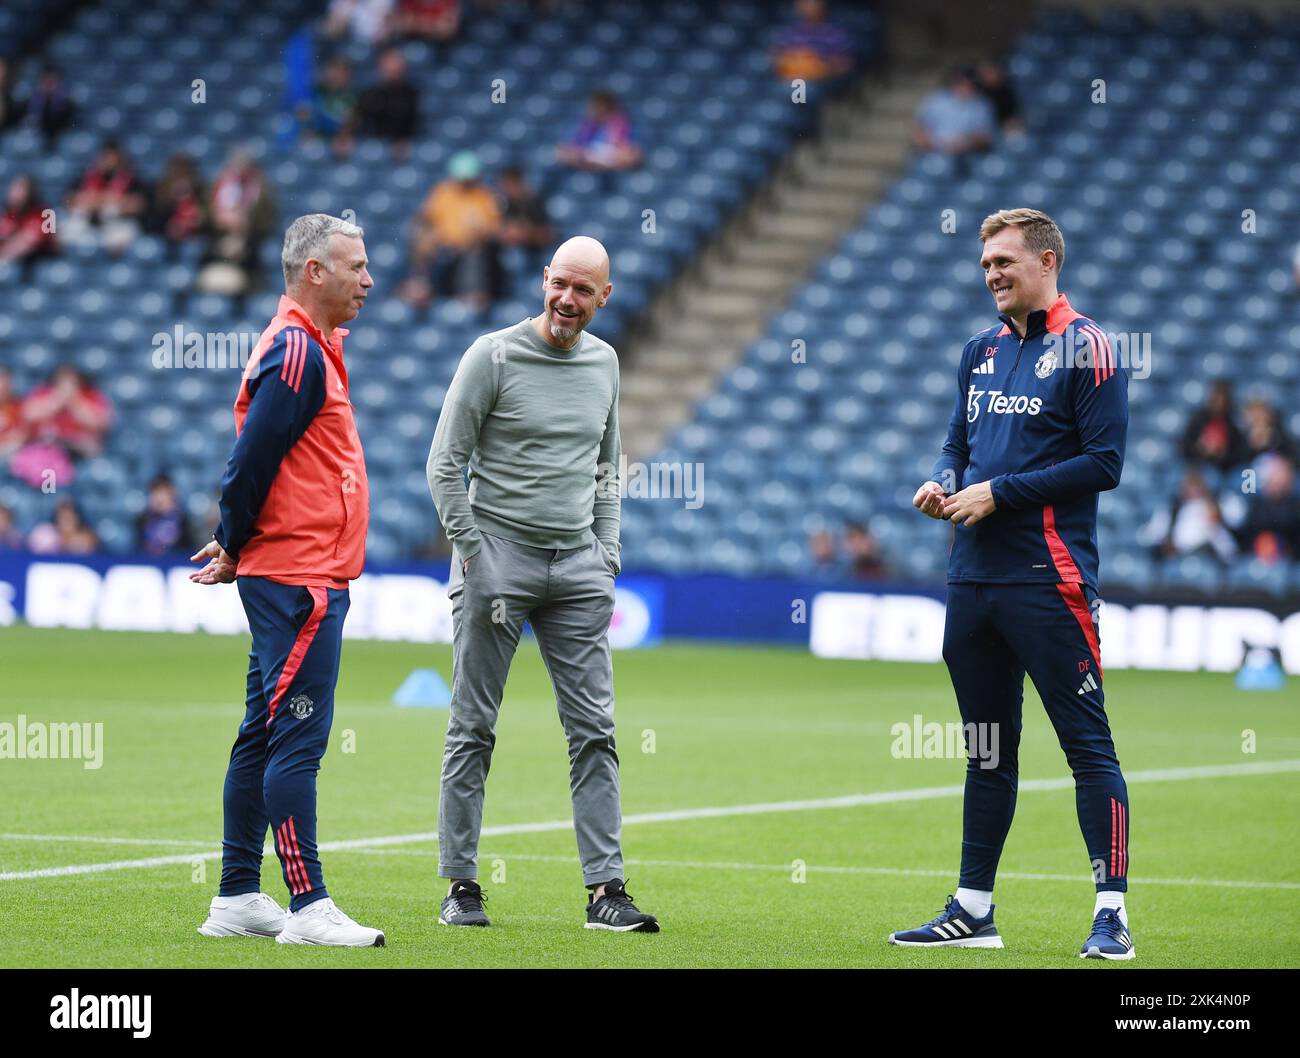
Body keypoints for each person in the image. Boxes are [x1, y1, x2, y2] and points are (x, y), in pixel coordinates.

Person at [896, 208, 1133, 960]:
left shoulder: (1091, 347)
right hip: (972, 578)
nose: (992, 273)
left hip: (1049, 579)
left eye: (1004, 261)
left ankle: (1111, 915)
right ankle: (973, 909)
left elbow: (1104, 464)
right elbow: (956, 444)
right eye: (985, 264)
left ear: (1047, 260)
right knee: (987, 751)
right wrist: (941, 483)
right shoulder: (979, 351)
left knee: (1087, 748)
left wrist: (1000, 493)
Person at [427, 235, 659, 932]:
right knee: (473, 727)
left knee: (595, 732)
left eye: (583, 290)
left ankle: (605, 893)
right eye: (560, 283)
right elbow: (445, 464)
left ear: (603, 298)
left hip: (579, 568)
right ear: (543, 280)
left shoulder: (606, 362)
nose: (567, 300)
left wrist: (607, 552)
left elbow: (606, 467)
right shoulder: (491, 355)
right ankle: (462, 886)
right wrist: (473, 553)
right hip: (496, 560)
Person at [189, 213, 382, 947]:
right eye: (356, 266)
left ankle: (238, 895)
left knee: (260, 734)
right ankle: (308, 906)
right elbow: (249, 461)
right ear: (314, 272)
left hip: (293, 571)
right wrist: (234, 542)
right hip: (300, 579)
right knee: (298, 739)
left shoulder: (313, 346)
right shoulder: (298, 350)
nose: (368, 280)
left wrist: (242, 546)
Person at [403, 151, 503, 310]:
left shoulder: (484, 196)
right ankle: (420, 289)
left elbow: (492, 229)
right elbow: (426, 219)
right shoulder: (442, 193)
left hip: (470, 248)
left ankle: (470, 294)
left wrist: (468, 238)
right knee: (421, 243)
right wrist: (430, 238)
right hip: (443, 246)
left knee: (474, 251)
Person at [197, 149, 276, 296]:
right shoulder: (218, 185)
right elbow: (204, 214)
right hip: (218, 240)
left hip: (251, 242)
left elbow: (268, 218)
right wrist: (218, 218)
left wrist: (246, 221)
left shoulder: (262, 188)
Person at [63, 140, 147, 254]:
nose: (109, 160)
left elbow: (138, 205)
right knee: (67, 232)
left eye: (112, 156)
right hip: (88, 222)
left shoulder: (132, 179)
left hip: (117, 224)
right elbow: (70, 200)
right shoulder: (87, 176)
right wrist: (112, 200)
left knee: (126, 235)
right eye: (105, 156)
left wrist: (94, 200)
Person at [1137, 468, 1237, 563]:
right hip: (1174, 559)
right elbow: (1148, 536)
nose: (1192, 490)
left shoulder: (1210, 511)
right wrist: (1164, 544)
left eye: (1197, 486)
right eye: (1189, 485)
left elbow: (1227, 548)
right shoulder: (1170, 511)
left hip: (1202, 559)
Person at [912, 68, 997, 156]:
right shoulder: (936, 100)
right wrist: (937, 143)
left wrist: (968, 142)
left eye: (970, 84)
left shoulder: (982, 104)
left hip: (971, 154)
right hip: (936, 152)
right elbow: (918, 131)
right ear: (953, 83)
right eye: (961, 83)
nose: (965, 87)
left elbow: (988, 138)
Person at [353, 47, 420, 154]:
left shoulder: (413, 94)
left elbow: (417, 125)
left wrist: (404, 142)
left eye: (396, 66)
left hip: (406, 145)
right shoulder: (370, 95)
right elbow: (357, 121)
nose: (393, 71)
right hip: (373, 146)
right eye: (389, 67)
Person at [770, 0, 854, 83]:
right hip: (792, 80)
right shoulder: (789, 32)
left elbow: (846, 65)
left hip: (823, 82)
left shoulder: (836, 33)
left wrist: (818, 67)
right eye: (802, 3)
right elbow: (776, 58)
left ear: (821, 4)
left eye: (810, 2)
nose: (805, 6)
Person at [557, 90, 641, 172]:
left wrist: (606, 159)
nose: (591, 110)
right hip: (585, 171)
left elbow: (633, 156)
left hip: (614, 174)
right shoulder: (583, 126)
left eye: (597, 106)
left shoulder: (625, 126)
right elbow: (565, 153)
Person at [1237, 453, 1300, 563]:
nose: (1278, 480)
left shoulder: (1295, 506)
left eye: (1282, 474)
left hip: (1290, 561)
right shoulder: (1253, 504)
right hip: (1254, 559)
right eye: (1275, 474)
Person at [1180, 380, 1247, 471]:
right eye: (1216, 400)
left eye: (1222, 400)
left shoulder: (1233, 423)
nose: (1219, 404)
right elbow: (1184, 447)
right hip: (1198, 467)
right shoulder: (1198, 420)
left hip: (1224, 469)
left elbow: (1240, 453)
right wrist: (1198, 449)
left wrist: (1223, 454)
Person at [0, 176, 56, 279]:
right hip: (14, 266)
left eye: (19, 189)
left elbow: (26, 244)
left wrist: (4, 254)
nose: (14, 194)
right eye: (13, 189)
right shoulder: (8, 216)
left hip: (41, 266)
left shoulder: (44, 214)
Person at [146, 154, 207, 247]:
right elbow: (151, 222)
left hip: (192, 238)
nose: (181, 181)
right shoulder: (158, 193)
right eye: (178, 174)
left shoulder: (200, 193)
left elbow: (206, 222)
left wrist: (198, 222)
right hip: (163, 237)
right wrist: (169, 227)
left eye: (185, 175)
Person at [136, 473, 193, 556]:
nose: (159, 498)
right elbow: (137, 548)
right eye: (156, 492)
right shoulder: (142, 519)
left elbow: (187, 548)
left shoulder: (183, 520)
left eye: (163, 492)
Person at [27, 498, 99, 554]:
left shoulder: (86, 536)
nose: (66, 521)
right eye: (63, 517)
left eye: (70, 517)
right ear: (56, 518)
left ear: (77, 518)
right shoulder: (45, 533)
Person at [974, 59, 1023, 137]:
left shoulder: (1008, 91)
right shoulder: (978, 92)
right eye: (983, 73)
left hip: (1002, 129)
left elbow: (1012, 116)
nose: (986, 76)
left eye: (989, 72)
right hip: (982, 130)